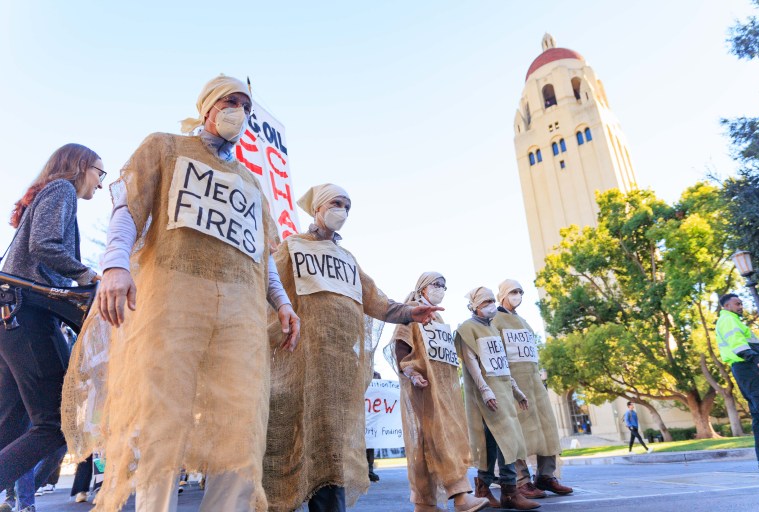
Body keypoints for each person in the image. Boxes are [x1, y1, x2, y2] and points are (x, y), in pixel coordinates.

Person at [62, 75, 300, 512]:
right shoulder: (166, 147)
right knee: (163, 419)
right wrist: (115, 262)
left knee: (241, 425)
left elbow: (261, 252)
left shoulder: (250, 181)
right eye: (231, 101)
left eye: (246, 106)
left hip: (242, 312)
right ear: (208, 107)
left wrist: (281, 302)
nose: (240, 112)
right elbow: (129, 206)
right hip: (174, 300)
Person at [262, 184, 442, 512]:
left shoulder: (348, 260)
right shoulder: (293, 247)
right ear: (317, 209)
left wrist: (410, 311)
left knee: (333, 448)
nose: (342, 211)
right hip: (300, 362)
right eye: (336, 203)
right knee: (290, 440)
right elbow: (269, 287)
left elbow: (377, 301)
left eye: (348, 206)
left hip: (339, 369)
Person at [0, 144, 103, 495]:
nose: (100, 184)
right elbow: (44, 246)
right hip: (29, 317)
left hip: (10, 320)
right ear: (80, 166)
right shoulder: (62, 189)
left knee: (9, 426)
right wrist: (87, 274)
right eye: (98, 173)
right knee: (56, 424)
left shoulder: (46, 191)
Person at [391, 272, 489, 512]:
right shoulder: (411, 312)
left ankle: (424, 503)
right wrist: (411, 373)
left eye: (444, 286)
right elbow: (401, 345)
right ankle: (461, 497)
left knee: (426, 446)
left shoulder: (439, 320)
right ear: (423, 288)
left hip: (445, 391)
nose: (441, 289)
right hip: (424, 388)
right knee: (443, 439)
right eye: (436, 285)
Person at [455, 287, 540, 510]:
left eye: (493, 300)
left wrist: (516, 390)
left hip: (503, 391)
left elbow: (502, 365)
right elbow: (471, 362)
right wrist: (484, 390)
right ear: (474, 305)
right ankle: (508, 490)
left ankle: (492, 490)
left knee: (496, 441)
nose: (491, 304)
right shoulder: (467, 328)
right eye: (486, 301)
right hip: (487, 394)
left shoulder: (492, 328)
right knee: (501, 441)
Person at [492, 279, 572, 498]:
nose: (518, 295)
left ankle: (546, 476)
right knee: (518, 434)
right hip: (513, 385)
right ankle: (522, 480)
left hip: (535, 385)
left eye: (520, 292)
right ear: (503, 295)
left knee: (548, 429)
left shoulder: (524, 322)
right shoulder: (495, 321)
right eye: (513, 292)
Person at [715, 293, 759, 470]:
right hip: (747, 367)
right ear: (727, 306)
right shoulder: (728, 320)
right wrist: (758, 361)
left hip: (745, 369)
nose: (741, 306)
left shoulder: (732, 321)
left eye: (741, 304)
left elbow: (751, 346)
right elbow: (739, 346)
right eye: (737, 303)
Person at [367, 371, 382, 483]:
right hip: (359, 418)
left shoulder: (376, 375)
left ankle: (369, 471)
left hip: (371, 421)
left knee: (370, 447)